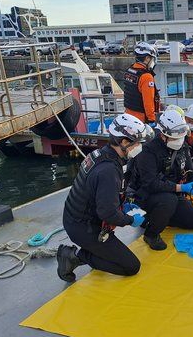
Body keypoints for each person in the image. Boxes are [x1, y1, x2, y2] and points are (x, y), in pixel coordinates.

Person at [57, 114, 151, 282]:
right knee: (131, 266)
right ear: (123, 142)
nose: (139, 147)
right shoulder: (108, 170)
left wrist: (124, 204)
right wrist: (130, 220)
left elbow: (107, 194)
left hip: (79, 218)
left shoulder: (102, 155)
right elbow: (108, 214)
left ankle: (88, 252)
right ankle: (73, 256)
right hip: (84, 228)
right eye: (137, 143)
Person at [128, 108, 193, 251]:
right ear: (163, 134)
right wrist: (181, 188)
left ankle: (159, 217)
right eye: (175, 137)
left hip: (172, 192)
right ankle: (151, 233)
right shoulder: (148, 151)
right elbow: (151, 184)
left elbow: (191, 169)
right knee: (169, 200)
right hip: (148, 195)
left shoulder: (186, 144)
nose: (179, 141)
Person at [123, 42, 160, 124]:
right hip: (140, 119)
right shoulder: (146, 77)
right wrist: (151, 119)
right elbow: (148, 102)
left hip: (127, 115)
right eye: (152, 59)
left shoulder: (129, 70)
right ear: (147, 58)